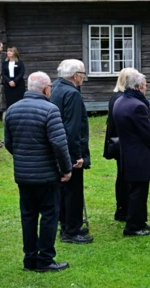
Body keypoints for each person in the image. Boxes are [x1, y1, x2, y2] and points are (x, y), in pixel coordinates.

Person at [5, 71, 73, 272]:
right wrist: (66, 169)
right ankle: (45, 260)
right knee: (49, 216)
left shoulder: (11, 110)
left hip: (23, 175)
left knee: (28, 216)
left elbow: (10, 143)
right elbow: (59, 145)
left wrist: (23, 159)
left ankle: (29, 259)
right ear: (46, 89)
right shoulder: (50, 110)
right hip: (46, 175)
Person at [50, 59, 93, 244]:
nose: (83, 78)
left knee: (63, 190)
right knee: (73, 192)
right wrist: (77, 156)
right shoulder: (72, 93)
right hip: (69, 151)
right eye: (83, 75)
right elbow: (73, 128)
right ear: (75, 75)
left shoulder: (56, 87)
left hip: (57, 148)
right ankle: (71, 231)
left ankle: (66, 226)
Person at [112, 71, 150, 236]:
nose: (146, 88)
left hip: (127, 152)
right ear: (138, 87)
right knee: (139, 191)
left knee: (136, 189)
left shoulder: (120, 101)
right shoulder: (138, 106)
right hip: (138, 153)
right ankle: (133, 226)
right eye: (145, 85)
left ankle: (140, 221)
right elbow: (147, 133)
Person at [103, 67, 138, 222]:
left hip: (119, 142)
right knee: (125, 178)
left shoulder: (116, 96)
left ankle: (122, 208)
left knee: (123, 176)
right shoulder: (120, 98)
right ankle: (123, 209)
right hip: (123, 143)